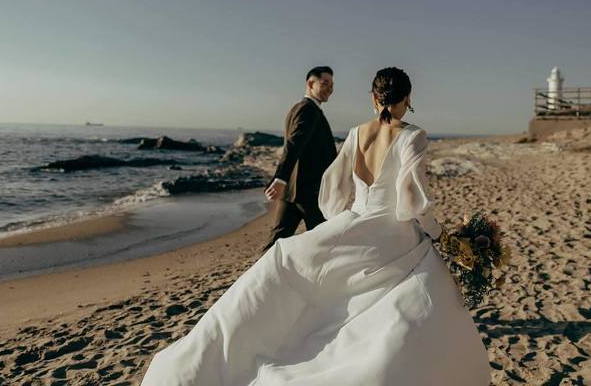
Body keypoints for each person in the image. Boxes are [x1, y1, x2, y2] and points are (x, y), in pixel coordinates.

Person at [141, 67, 492, 385]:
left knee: (310, 286)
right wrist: (438, 234)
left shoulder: (356, 133)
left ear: (373, 98)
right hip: (393, 230)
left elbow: (333, 185)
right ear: (408, 99)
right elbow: (413, 200)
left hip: (354, 219)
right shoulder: (413, 135)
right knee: (412, 304)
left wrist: (344, 220)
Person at [262, 66, 338, 251]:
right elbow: (294, 144)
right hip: (309, 192)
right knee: (325, 242)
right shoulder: (308, 110)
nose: (330, 88)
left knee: (276, 243)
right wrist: (280, 178)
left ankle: (257, 279)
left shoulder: (300, 108)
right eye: (325, 83)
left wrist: (284, 181)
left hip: (294, 191)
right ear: (310, 83)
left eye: (332, 85)